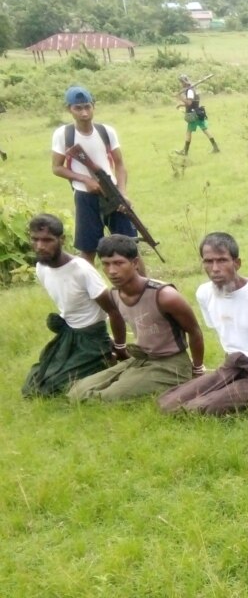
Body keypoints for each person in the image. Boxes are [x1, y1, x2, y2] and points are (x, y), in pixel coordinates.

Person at [158, 233, 248, 415]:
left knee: (199, 408)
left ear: (237, 263)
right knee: (168, 402)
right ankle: (230, 385)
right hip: (232, 364)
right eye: (208, 261)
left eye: (222, 261)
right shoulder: (204, 293)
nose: (215, 268)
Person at [68, 235, 204, 402]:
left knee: (106, 397)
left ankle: (172, 380)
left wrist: (197, 370)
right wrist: (120, 347)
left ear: (135, 263)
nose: (112, 271)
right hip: (141, 358)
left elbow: (195, 332)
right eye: (106, 264)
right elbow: (115, 318)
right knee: (77, 391)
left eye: (119, 263)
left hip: (171, 364)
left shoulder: (164, 296)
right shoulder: (115, 294)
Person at [23, 214, 128, 397]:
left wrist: (120, 348)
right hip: (69, 334)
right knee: (34, 382)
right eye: (35, 240)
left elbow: (113, 310)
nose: (40, 246)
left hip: (93, 339)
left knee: (53, 387)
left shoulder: (82, 270)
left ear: (61, 240)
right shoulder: (42, 267)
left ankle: (107, 358)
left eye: (47, 240)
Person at [50, 86, 136, 265]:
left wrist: (122, 193)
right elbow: (57, 168)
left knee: (129, 246)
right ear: (69, 109)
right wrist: (85, 179)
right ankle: (86, 291)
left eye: (87, 107)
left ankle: (143, 289)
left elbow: (119, 164)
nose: (84, 113)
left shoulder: (106, 131)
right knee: (88, 250)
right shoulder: (64, 135)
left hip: (111, 192)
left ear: (93, 106)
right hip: (85, 196)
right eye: (78, 108)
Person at [176, 74, 220, 155]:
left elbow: (189, 103)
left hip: (193, 115)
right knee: (203, 130)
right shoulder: (192, 90)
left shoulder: (189, 91)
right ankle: (215, 147)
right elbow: (192, 102)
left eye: (181, 82)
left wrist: (180, 98)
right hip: (196, 113)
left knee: (190, 132)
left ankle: (185, 152)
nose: (181, 84)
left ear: (184, 82)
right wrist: (181, 105)